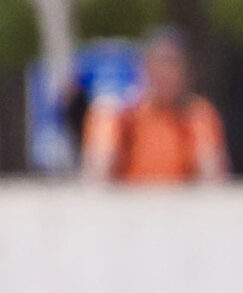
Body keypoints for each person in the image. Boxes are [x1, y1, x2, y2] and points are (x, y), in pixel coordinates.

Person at [82, 31, 227, 184]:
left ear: (187, 72)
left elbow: (213, 176)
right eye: (158, 64)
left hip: (183, 203)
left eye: (173, 65)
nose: (165, 73)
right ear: (144, 68)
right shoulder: (125, 114)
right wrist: (108, 118)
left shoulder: (196, 113)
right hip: (131, 202)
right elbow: (97, 173)